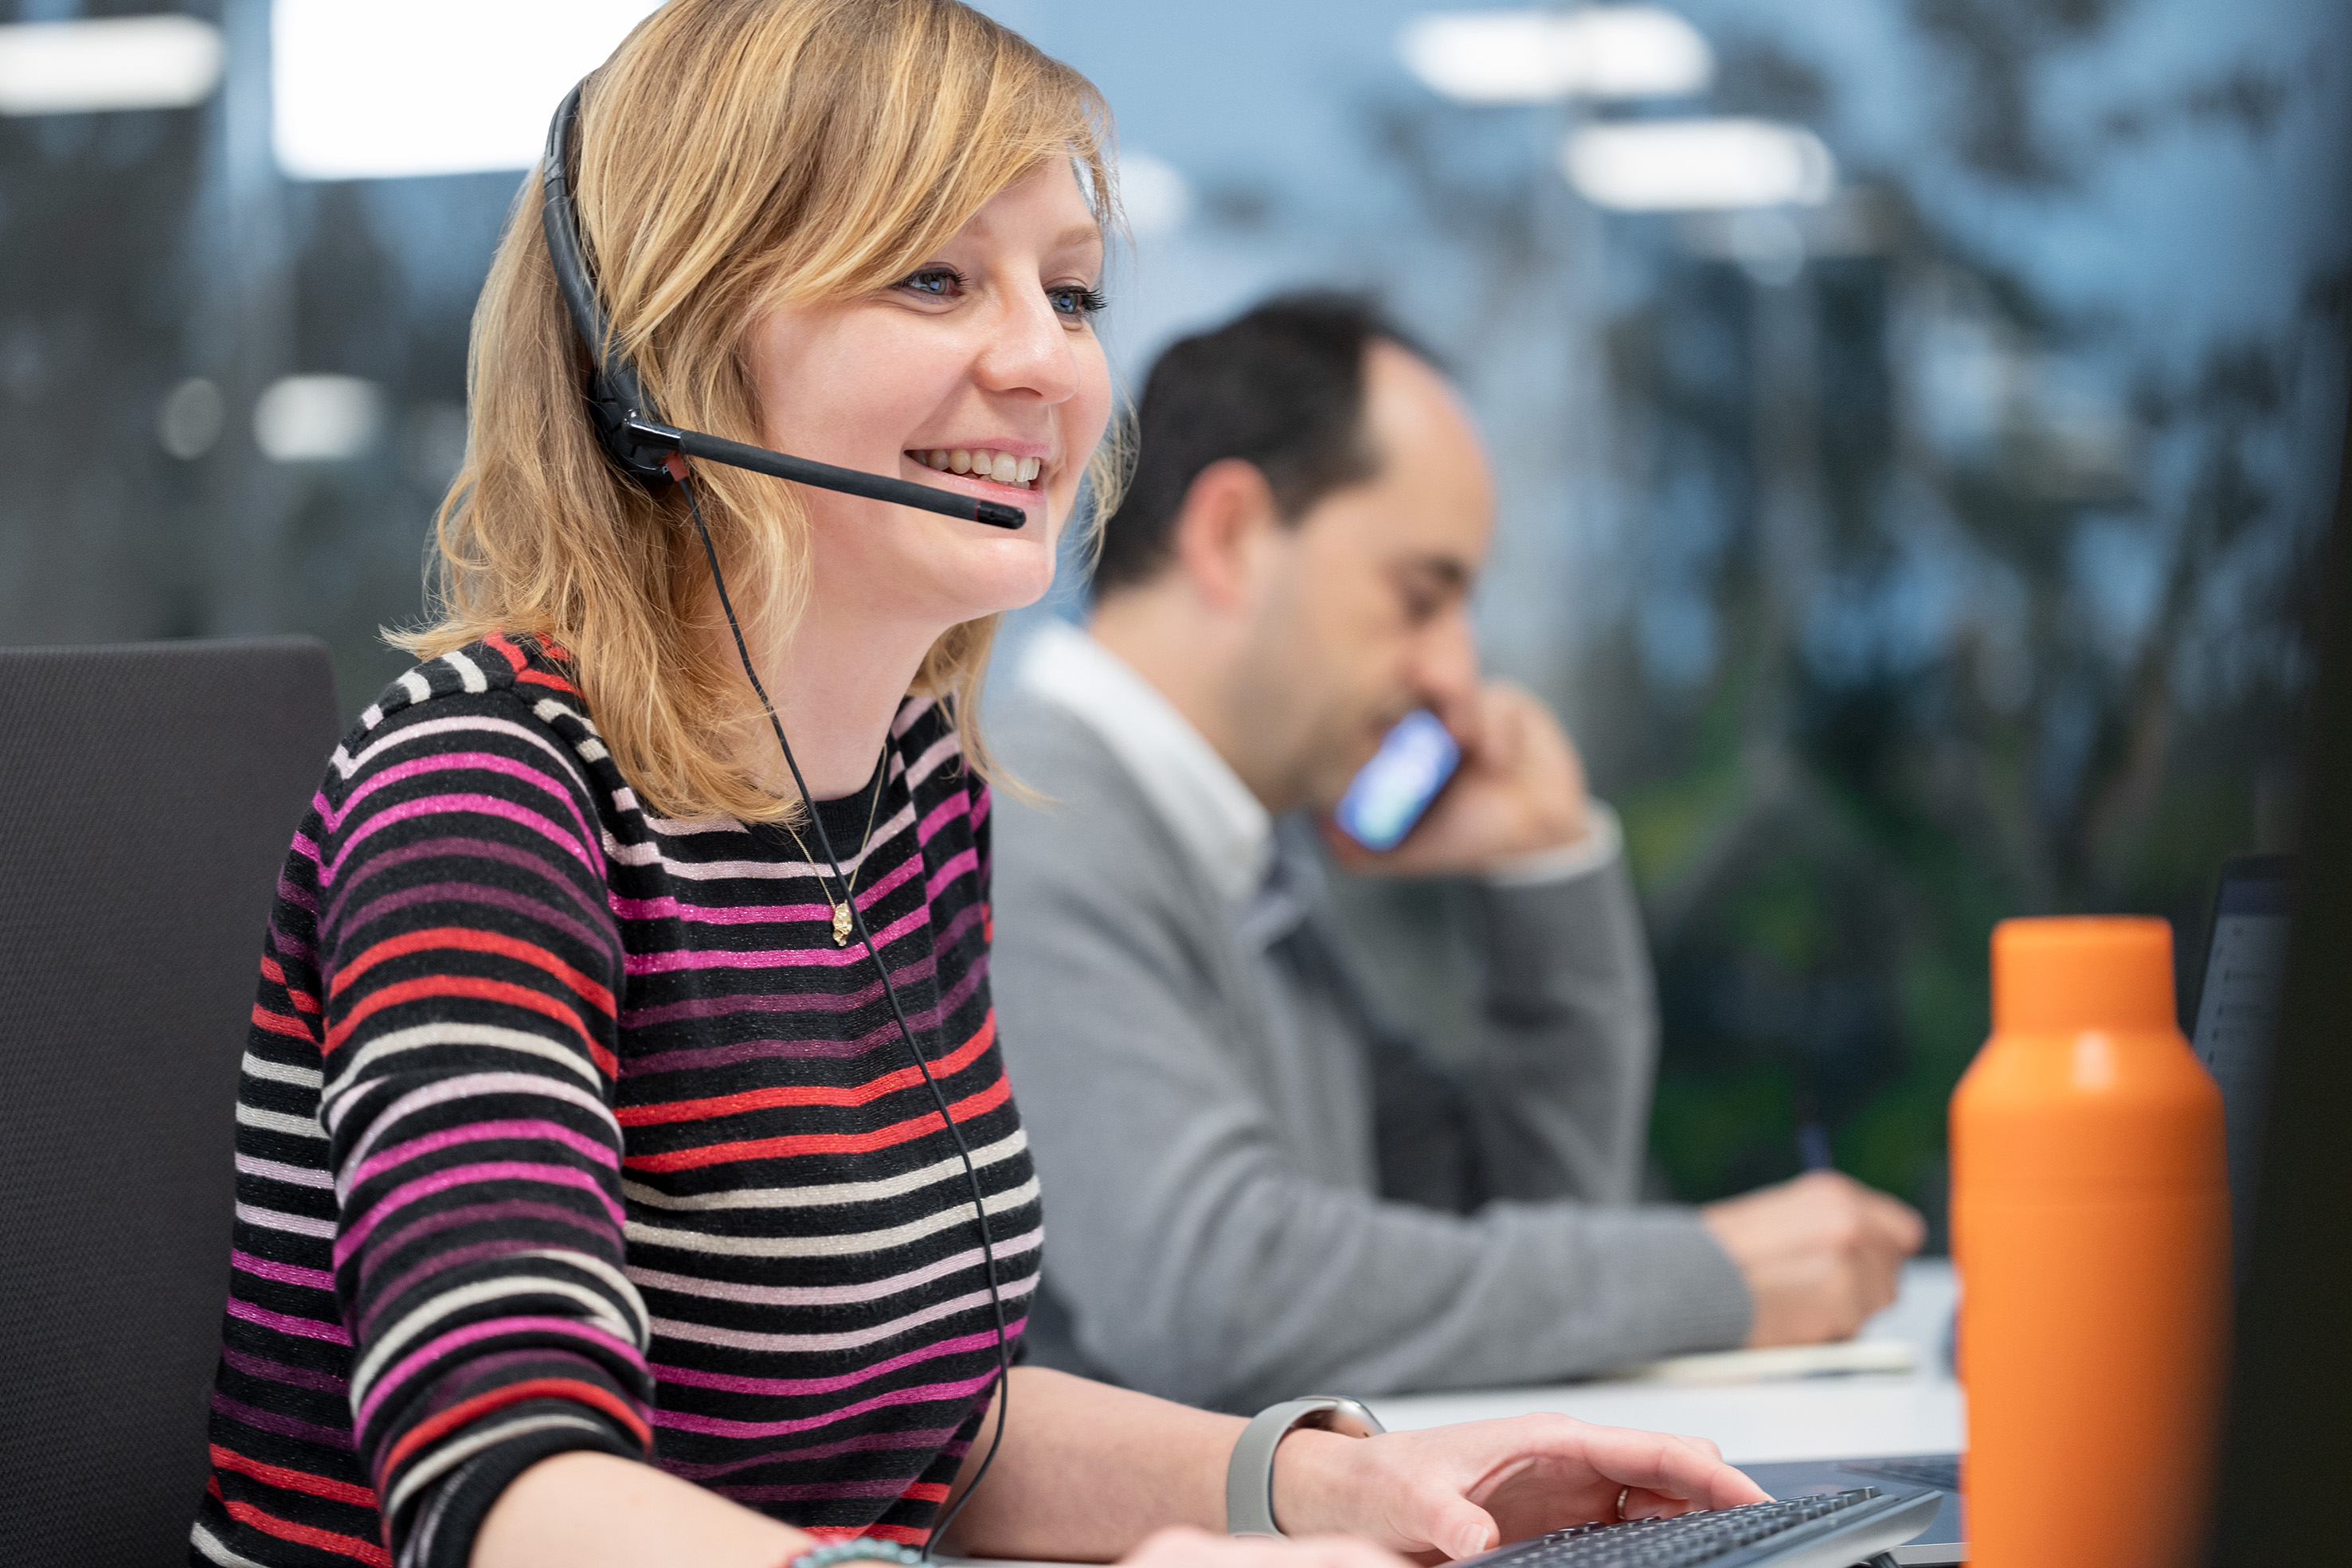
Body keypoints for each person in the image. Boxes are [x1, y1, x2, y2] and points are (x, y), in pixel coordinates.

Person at [189, 8, 1773, 1568]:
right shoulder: (483, 788)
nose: (1046, 363)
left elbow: (939, 1435)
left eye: (1071, 292)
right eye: (935, 277)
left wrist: (1349, 1482)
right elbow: (510, 1496)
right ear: (658, 349)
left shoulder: (917, 799)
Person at [987, 294, 1927, 1414]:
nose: (1452, 673)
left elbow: (1500, 1228)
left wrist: (1544, 871)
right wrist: (1715, 1278)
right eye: (1418, 596)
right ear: (1230, 534)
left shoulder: (1237, 851)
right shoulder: (1026, 821)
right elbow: (1217, 1299)